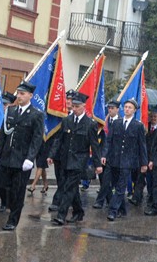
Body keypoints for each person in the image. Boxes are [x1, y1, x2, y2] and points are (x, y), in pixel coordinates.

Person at [0, 80, 43, 231]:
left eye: (22, 93)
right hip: (7, 157)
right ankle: (11, 208)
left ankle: (13, 220)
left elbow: (36, 139)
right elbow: (3, 134)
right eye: (18, 93)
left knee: (18, 191)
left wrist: (30, 158)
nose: (19, 96)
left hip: (22, 160)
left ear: (30, 96)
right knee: (3, 186)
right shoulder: (11, 111)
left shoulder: (36, 115)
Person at [47, 91, 101, 225]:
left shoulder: (90, 124)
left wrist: (97, 164)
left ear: (84, 106)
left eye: (77, 106)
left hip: (79, 161)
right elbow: (59, 140)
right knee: (71, 188)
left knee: (68, 187)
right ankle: (78, 211)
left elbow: (94, 146)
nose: (74, 109)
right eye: (73, 106)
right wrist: (51, 155)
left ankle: (61, 215)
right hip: (65, 159)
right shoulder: (67, 121)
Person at [101, 100, 148, 221]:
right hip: (115, 159)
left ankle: (113, 210)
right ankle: (122, 209)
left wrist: (144, 163)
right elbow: (109, 141)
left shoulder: (138, 125)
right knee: (115, 184)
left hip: (128, 161)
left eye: (130, 108)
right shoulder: (116, 123)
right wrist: (104, 155)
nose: (127, 109)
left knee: (121, 186)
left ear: (134, 110)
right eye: (126, 107)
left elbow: (142, 145)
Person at [93, 100, 121, 210]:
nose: (110, 110)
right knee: (102, 178)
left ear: (117, 109)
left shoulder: (120, 121)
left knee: (109, 179)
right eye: (109, 108)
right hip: (101, 153)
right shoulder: (103, 121)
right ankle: (109, 200)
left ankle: (100, 201)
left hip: (115, 155)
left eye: (112, 108)